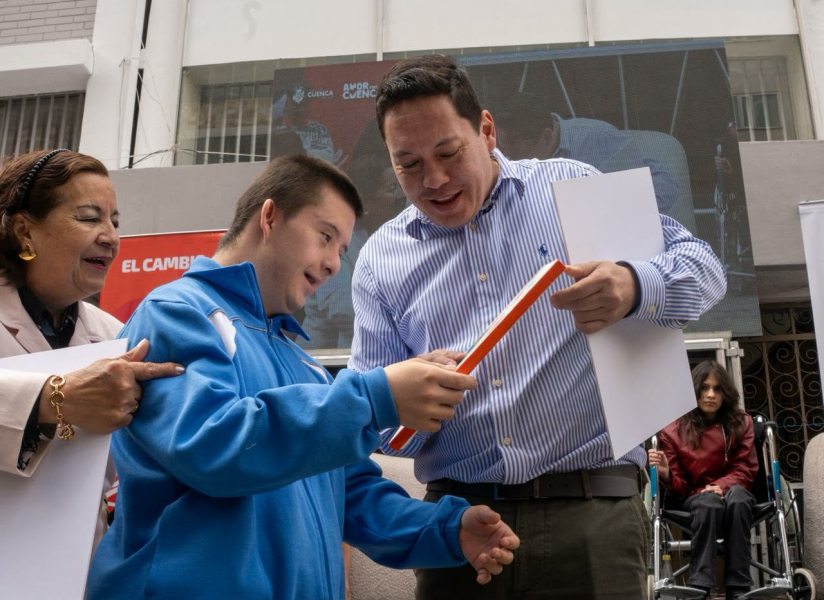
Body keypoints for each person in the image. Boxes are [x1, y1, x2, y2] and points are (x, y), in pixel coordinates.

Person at [348, 55, 726, 600]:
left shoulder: (573, 190)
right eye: (407, 165)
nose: (433, 180)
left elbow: (705, 269)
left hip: (593, 512)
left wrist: (634, 284)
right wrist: (399, 401)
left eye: (449, 153)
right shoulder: (381, 258)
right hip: (460, 525)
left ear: (486, 129)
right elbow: (378, 427)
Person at [87, 155, 520, 600]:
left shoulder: (305, 365)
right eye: (325, 236)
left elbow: (351, 492)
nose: (333, 264)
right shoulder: (177, 312)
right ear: (270, 216)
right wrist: (374, 398)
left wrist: (446, 529)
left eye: (341, 250)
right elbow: (212, 447)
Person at [0, 149, 182, 477]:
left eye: (114, 222)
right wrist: (54, 398)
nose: (111, 238)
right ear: (24, 231)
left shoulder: (118, 335)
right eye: (88, 218)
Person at [648, 361, 758, 600]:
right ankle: (700, 586)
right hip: (693, 498)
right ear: (693, 391)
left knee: (739, 498)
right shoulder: (673, 430)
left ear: (725, 393)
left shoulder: (742, 422)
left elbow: (745, 468)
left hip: (734, 491)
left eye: (717, 389)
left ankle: (738, 587)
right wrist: (666, 473)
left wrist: (722, 486)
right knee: (708, 502)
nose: (710, 394)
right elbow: (680, 490)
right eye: (704, 388)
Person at [494, 92, 681, 215]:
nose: (507, 156)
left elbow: (665, 186)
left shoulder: (598, 139)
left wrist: (615, 212)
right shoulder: (507, 161)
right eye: (502, 146)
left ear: (546, 137)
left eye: (513, 147)